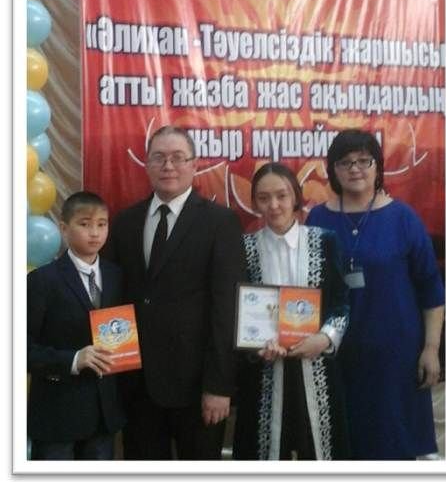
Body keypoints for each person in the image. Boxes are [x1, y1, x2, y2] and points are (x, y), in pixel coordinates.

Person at [104, 125, 246, 460]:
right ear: (147, 165)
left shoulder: (221, 223)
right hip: (137, 386)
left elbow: (228, 309)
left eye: (178, 157)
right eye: (159, 157)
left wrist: (219, 386)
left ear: (194, 165)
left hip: (197, 388)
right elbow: (113, 301)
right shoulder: (124, 222)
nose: (168, 166)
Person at [306, 129, 445, 460]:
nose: (355, 168)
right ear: (333, 170)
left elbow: (431, 289)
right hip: (335, 355)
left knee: (393, 445)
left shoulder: (403, 218)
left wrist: (431, 348)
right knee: (342, 445)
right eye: (345, 162)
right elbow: (307, 286)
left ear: (377, 166)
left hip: (396, 356)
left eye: (364, 161)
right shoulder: (318, 218)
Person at [233, 163, 350, 460]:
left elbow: (341, 302)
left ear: (296, 196)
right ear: (254, 203)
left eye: (282, 195)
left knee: (320, 452)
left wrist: (324, 338)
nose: (274, 205)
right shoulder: (243, 248)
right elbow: (236, 312)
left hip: (316, 367)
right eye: (264, 198)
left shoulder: (324, 241)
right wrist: (255, 347)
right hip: (264, 371)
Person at [27, 191, 125, 460]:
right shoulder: (42, 280)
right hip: (57, 417)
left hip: (103, 417)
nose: (95, 233)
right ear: (63, 228)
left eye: (102, 224)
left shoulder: (117, 276)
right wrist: (73, 359)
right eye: (84, 224)